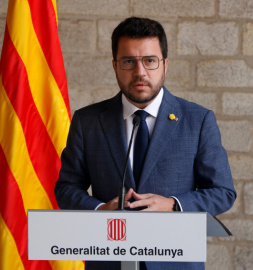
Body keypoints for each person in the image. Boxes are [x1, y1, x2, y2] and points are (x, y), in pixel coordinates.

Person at [55, 16, 236, 270]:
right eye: (129, 61)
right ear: (115, 65)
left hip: (175, 263)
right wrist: (98, 210)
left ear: (165, 65)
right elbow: (66, 188)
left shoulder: (198, 120)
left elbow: (223, 192)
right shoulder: (88, 121)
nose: (140, 72)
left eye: (150, 61)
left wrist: (174, 204)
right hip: (109, 259)